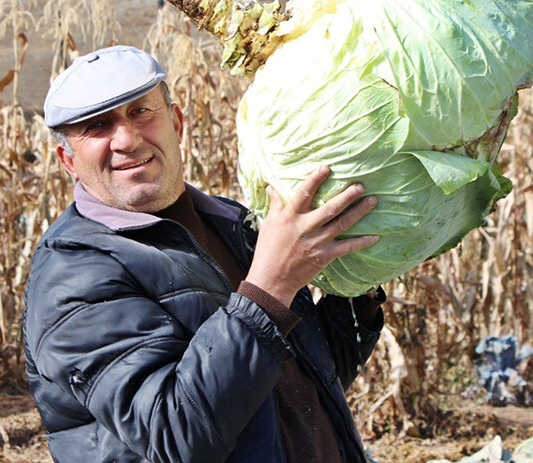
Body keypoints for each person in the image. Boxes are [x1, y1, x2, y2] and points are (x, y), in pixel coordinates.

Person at [22, 45, 387, 463]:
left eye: (141, 112)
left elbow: (306, 380)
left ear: (175, 122)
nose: (126, 139)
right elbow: (176, 436)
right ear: (68, 159)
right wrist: (271, 286)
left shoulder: (234, 223)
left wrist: (359, 279)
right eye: (97, 126)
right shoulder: (74, 272)